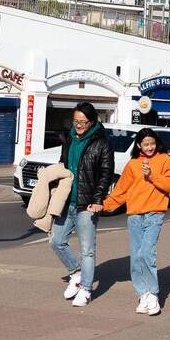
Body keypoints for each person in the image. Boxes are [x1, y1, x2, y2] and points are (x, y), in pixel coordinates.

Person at [102, 128, 170, 316]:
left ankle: (153, 294)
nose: (150, 147)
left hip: (154, 214)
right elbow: (121, 190)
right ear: (139, 145)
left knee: (147, 254)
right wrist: (103, 206)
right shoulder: (132, 164)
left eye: (152, 143)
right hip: (135, 216)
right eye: (146, 144)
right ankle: (142, 293)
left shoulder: (164, 160)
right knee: (136, 257)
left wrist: (152, 176)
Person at [50, 102, 114, 307]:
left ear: (93, 121)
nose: (78, 125)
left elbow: (106, 174)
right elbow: (63, 164)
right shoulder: (68, 138)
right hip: (67, 201)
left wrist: (98, 199)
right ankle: (76, 272)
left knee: (87, 250)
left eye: (83, 122)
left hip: (87, 204)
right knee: (56, 241)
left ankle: (86, 289)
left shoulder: (102, 143)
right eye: (76, 121)